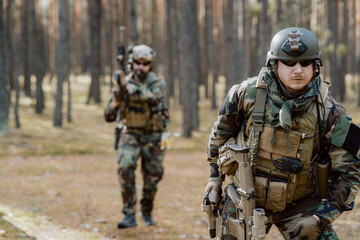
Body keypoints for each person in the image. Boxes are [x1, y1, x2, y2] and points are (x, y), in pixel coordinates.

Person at [203, 27, 360, 239]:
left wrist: (319, 219)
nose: (298, 70)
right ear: (274, 64)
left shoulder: (331, 113)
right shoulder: (245, 94)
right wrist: (215, 179)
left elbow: (349, 174)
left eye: (305, 63)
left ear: (316, 67)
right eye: (289, 62)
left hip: (300, 205)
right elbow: (220, 135)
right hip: (245, 198)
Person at [105, 44, 169, 228]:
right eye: (137, 63)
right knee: (125, 166)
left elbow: (149, 97)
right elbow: (108, 116)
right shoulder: (123, 84)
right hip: (130, 133)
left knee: (153, 176)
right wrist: (117, 99)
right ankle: (129, 214)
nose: (141, 67)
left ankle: (146, 211)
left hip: (153, 136)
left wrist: (127, 86)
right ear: (131, 64)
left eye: (145, 63)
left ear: (151, 65)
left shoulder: (157, 83)